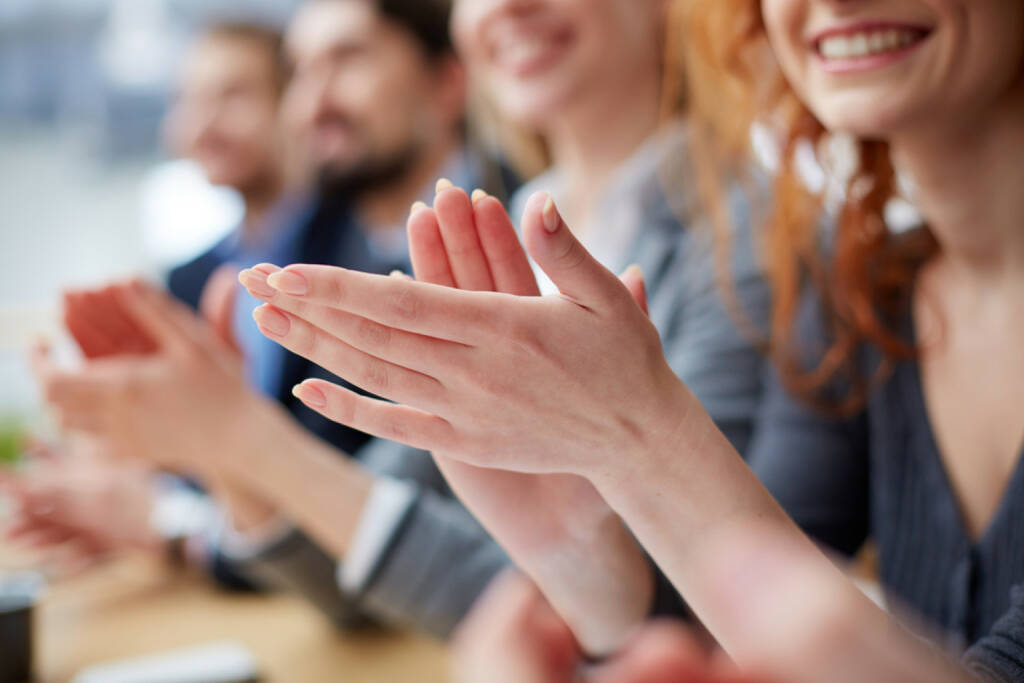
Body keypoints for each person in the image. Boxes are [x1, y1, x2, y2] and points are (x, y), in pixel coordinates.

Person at [242, 0, 1024, 678]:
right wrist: (587, 559)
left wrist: (638, 440)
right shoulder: (869, 293)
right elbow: (722, 620)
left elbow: (745, 607)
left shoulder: (768, 251)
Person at [31, 0, 522, 638]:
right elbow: (341, 507)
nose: (312, 104)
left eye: (348, 59)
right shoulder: (330, 250)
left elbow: (361, 515)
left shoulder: (529, 229)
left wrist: (193, 487)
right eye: (300, 72)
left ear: (448, 80)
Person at [5, 19, 293, 580]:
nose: (204, 121)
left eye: (234, 94)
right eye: (189, 99)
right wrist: (122, 484)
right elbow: (188, 464)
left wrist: (165, 519)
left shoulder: (340, 255)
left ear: (294, 102)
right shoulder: (185, 280)